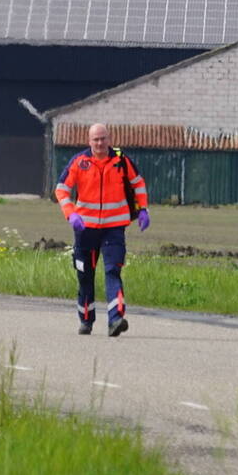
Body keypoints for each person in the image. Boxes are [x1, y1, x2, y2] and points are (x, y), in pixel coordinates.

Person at [55, 123, 150, 337]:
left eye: (103, 139)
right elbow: (61, 190)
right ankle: (86, 320)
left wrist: (143, 209)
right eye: (95, 139)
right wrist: (71, 214)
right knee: (85, 276)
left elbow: (138, 183)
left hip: (114, 228)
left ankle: (116, 319)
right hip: (85, 230)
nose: (100, 143)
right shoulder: (79, 162)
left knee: (112, 270)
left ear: (110, 139)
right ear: (89, 141)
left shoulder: (121, 160)